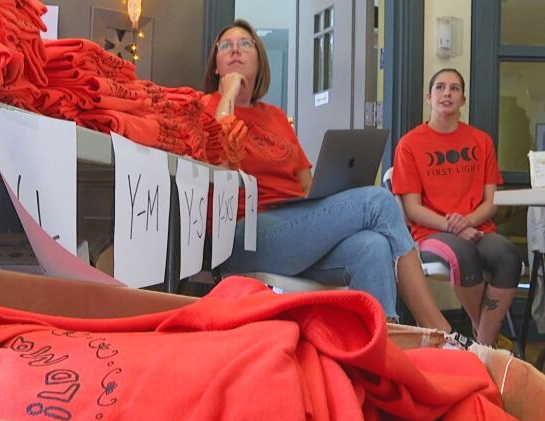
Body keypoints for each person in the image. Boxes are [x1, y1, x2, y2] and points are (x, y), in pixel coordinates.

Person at [201, 19, 452, 332]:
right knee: (379, 199)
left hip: (294, 228)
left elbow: (306, 184)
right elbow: (218, 152)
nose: (236, 49)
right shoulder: (205, 107)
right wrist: (227, 95)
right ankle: (437, 328)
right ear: (215, 65)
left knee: (371, 245)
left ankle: (379, 349)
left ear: (259, 58)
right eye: (226, 45)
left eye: (245, 43)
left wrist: (330, 201)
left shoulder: (276, 117)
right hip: (244, 235)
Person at [393, 68, 522, 346]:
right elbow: (413, 209)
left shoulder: (482, 141)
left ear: (463, 99)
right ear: (429, 97)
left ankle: (483, 346)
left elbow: (490, 203)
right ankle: (487, 338)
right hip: (430, 234)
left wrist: (467, 222)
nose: (447, 93)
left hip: (478, 227)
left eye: (454, 88)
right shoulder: (410, 144)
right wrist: (453, 226)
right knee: (463, 254)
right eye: (440, 87)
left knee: (509, 256)